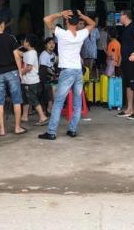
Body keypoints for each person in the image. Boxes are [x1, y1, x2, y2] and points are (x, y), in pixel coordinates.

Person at [39, 8, 95, 140]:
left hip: (67, 71)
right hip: (78, 70)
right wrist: (82, 15)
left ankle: (51, 132)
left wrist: (60, 14)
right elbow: (92, 24)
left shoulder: (62, 34)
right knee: (77, 102)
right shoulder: (81, 34)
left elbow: (46, 19)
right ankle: (72, 130)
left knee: (58, 102)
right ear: (77, 23)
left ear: (66, 22)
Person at [117, 9, 134, 119]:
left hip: (133, 61)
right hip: (125, 61)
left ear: (125, 16)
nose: (119, 18)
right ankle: (129, 108)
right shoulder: (125, 29)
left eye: (120, 15)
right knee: (127, 85)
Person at [20, 34, 48, 125]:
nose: (23, 42)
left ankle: (42, 117)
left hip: (30, 81)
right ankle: (24, 116)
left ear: (28, 43)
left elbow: (29, 68)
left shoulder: (31, 53)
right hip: (26, 80)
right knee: (25, 99)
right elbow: (21, 54)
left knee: (32, 99)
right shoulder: (28, 53)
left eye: (24, 41)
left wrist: (20, 73)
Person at [38, 35, 58, 114]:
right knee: (51, 87)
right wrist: (53, 75)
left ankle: (52, 106)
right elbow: (43, 68)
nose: (52, 45)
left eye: (53, 43)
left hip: (51, 76)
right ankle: (50, 107)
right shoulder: (44, 54)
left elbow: (55, 66)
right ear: (46, 45)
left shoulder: (53, 54)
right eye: (50, 43)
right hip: (44, 77)